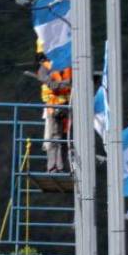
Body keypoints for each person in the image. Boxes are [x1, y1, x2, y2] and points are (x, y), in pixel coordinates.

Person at [36, 42, 72, 173]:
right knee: (54, 136)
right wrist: (62, 84)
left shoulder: (65, 65)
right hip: (53, 105)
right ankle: (52, 167)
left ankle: (60, 167)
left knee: (64, 137)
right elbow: (51, 84)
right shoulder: (44, 68)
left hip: (66, 105)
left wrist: (61, 84)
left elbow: (67, 81)